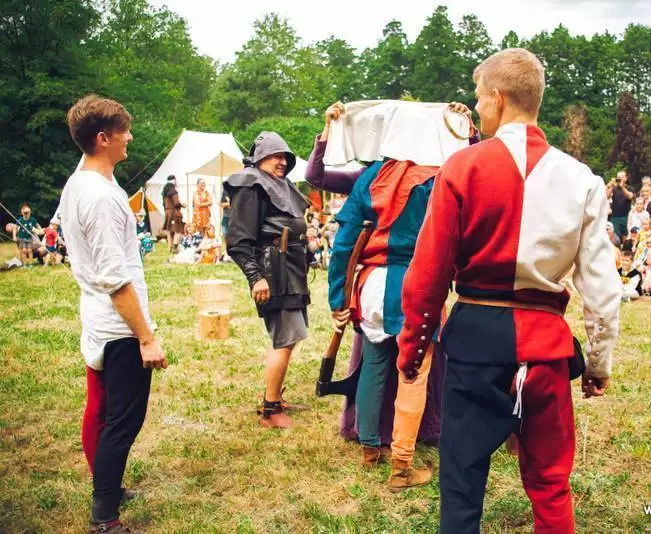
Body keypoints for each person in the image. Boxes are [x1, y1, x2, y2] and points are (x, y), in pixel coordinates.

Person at [397, 48, 621, 533]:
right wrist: (598, 363)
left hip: (475, 343)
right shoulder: (582, 179)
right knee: (551, 484)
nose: (477, 107)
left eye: (479, 97)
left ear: (497, 99)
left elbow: (428, 272)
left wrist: (412, 348)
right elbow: (603, 289)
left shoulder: (462, 167)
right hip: (545, 349)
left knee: (461, 483)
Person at [304, 101, 476, 454]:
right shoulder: (440, 177)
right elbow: (474, 182)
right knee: (415, 369)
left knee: (374, 364)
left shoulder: (370, 177)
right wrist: (469, 136)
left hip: (372, 287)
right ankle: (404, 454)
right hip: (418, 285)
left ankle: (370, 446)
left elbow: (344, 247)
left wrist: (338, 299)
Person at [60, 95, 167, 533]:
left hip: (100, 318)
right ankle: (104, 517)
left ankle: (108, 488)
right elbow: (115, 279)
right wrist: (146, 337)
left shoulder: (81, 183)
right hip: (118, 326)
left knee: (106, 412)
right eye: (124, 131)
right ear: (103, 138)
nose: (131, 138)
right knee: (123, 420)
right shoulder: (100, 197)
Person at [225, 131, 310, 429]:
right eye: (275, 156)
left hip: (291, 270)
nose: (282, 162)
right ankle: (270, 410)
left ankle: (274, 397)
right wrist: (255, 278)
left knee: (290, 338)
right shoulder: (251, 184)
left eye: (285, 157)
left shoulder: (279, 184)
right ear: (260, 157)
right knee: (284, 339)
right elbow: (238, 241)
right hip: (274, 273)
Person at [607, 169, 634, 239]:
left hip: (626, 217)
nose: (619, 179)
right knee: (615, 238)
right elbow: (606, 196)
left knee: (626, 237)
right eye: (618, 177)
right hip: (615, 217)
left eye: (622, 177)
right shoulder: (614, 188)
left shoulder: (629, 188)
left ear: (625, 178)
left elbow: (630, 197)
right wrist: (611, 186)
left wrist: (622, 187)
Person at [161, 175, 184, 253]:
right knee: (178, 230)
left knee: (169, 231)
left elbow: (163, 204)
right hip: (174, 212)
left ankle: (169, 248)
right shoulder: (173, 191)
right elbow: (176, 203)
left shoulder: (164, 191)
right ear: (174, 181)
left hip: (167, 212)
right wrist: (183, 205)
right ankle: (174, 248)